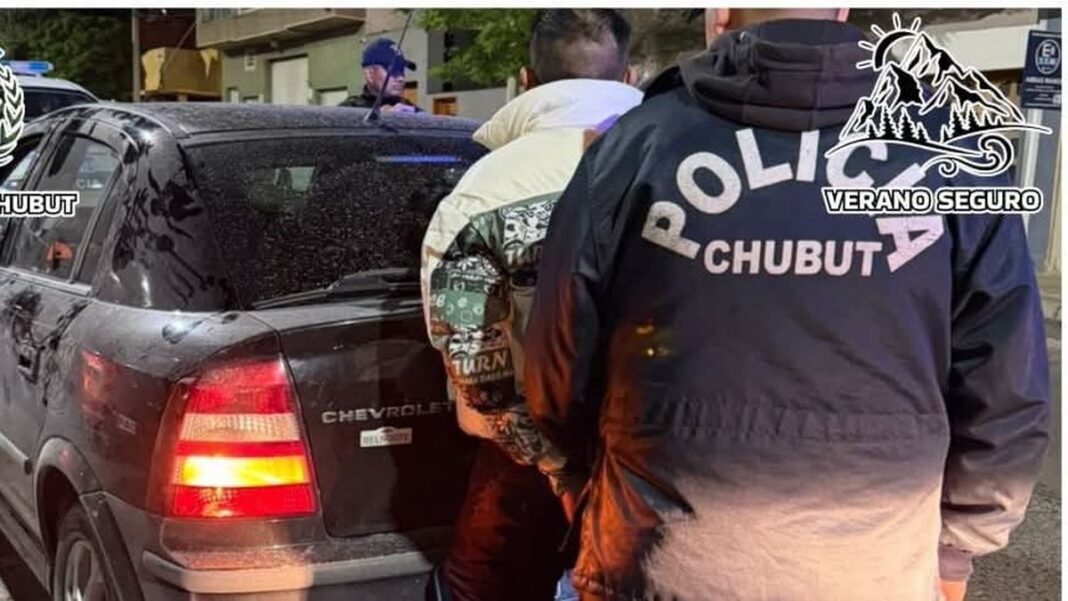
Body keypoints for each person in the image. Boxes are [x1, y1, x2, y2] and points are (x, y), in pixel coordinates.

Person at [524, 8, 1050, 601]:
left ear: (719, 13)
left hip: (662, 557)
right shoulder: (951, 154)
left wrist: (578, 474)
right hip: (874, 565)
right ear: (842, 10)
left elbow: (557, 361)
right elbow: (1006, 382)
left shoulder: (637, 145)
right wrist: (956, 548)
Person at [421, 9, 642, 601]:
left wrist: (559, 469)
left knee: (481, 583)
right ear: (631, 76)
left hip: (522, 457)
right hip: (656, 455)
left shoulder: (482, 190)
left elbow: (474, 361)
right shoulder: (687, 170)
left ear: (525, 80)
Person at [339, 37, 421, 112]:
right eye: (393, 70)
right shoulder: (347, 110)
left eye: (401, 70)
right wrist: (380, 118)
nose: (401, 78)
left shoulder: (411, 110)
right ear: (369, 74)